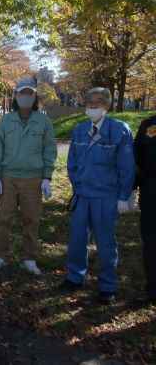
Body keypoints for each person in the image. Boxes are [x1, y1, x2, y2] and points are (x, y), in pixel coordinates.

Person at [62, 87, 135, 304]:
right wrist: (77, 185)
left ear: (107, 105)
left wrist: (124, 196)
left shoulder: (119, 130)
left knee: (105, 244)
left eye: (98, 102)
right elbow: (72, 162)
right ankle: (75, 278)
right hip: (82, 195)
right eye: (89, 102)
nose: (92, 106)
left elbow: (126, 166)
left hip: (106, 197)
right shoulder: (79, 130)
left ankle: (108, 286)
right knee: (76, 240)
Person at [0, 77, 57, 276]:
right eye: (21, 93)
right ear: (15, 96)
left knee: (31, 220)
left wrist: (47, 177)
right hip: (8, 178)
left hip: (33, 179)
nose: (25, 97)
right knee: (4, 219)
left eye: (29, 93)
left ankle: (29, 258)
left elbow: (49, 150)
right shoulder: (6, 120)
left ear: (34, 96)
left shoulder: (43, 121)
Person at [133, 113, 156, 304]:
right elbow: (137, 158)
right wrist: (131, 189)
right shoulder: (149, 124)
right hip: (151, 191)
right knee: (151, 241)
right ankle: (153, 289)